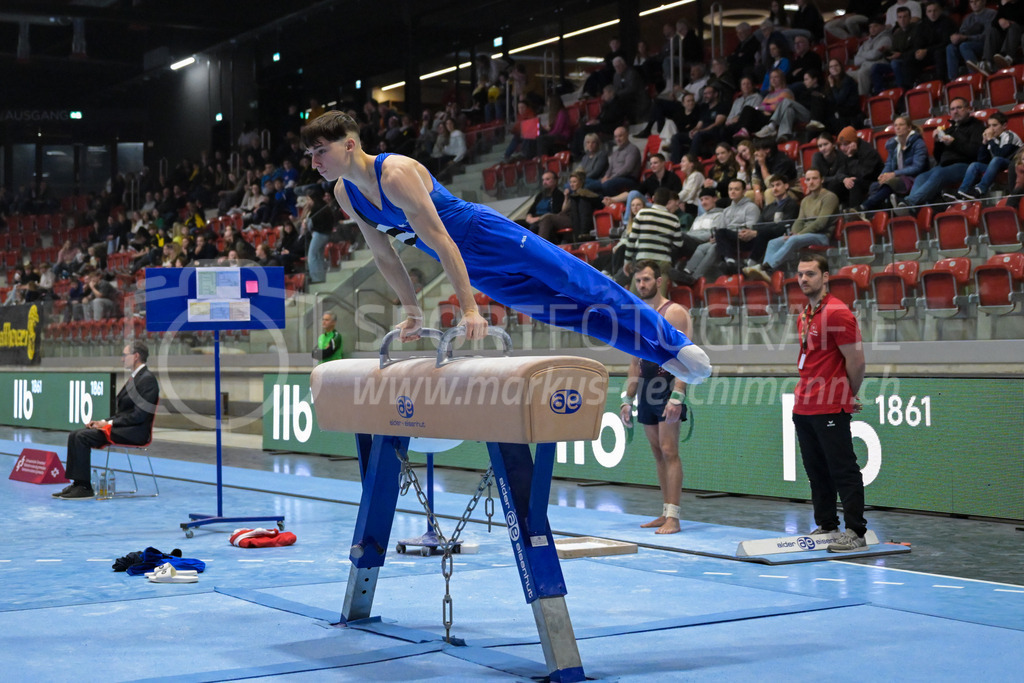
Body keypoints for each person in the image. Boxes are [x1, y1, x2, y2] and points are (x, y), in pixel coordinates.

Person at [301, 110, 712, 383]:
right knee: (569, 315)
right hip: (475, 267)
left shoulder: (395, 173)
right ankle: (660, 356)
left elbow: (443, 241)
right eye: (310, 154)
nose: (315, 161)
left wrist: (467, 308)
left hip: (485, 235)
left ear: (350, 145)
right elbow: (384, 256)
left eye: (321, 151)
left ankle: (674, 342)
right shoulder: (344, 193)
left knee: (583, 285)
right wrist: (410, 313)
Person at [790, 251, 868, 553]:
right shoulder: (804, 314)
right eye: (800, 274)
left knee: (842, 468)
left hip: (830, 405)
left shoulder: (837, 313)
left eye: (810, 273)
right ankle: (827, 524)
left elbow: (857, 361)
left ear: (825, 277)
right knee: (815, 470)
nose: (804, 279)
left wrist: (847, 393)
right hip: (804, 406)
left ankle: (855, 531)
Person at [619, 260, 692, 535]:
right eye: (638, 281)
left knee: (670, 450)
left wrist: (679, 394)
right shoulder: (638, 314)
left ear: (659, 281)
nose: (642, 285)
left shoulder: (673, 312)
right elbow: (635, 360)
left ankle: (674, 517)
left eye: (647, 279)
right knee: (657, 452)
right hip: (647, 386)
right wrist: (627, 397)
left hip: (667, 385)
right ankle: (665, 511)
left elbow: (685, 357)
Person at [54, 342, 160, 500]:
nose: (122, 359)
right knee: (75, 435)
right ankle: (77, 483)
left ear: (136, 356)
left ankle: (84, 487)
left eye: (125, 355)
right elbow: (123, 413)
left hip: (135, 432)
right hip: (123, 427)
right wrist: (102, 421)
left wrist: (109, 424)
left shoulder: (147, 380)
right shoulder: (135, 378)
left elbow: (139, 416)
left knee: (82, 437)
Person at [744, 167, 839, 281]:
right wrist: (793, 232)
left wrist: (798, 235)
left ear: (822, 180)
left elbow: (821, 223)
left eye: (814, 178)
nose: (811, 182)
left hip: (822, 235)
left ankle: (766, 268)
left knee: (793, 240)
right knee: (773, 242)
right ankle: (766, 273)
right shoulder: (805, 200)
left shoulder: (830, 197)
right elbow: (799, 220)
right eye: (808, 179)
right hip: (804, 235)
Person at [897, 97, 984, 212]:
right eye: (952, 109)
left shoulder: (977, 126)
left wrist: (954, 143)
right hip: (944, 166)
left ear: (968, 109)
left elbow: (974, 151)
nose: (955, 111)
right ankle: (913, 210)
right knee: (921, 177)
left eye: (959, 108)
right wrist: (937, 143)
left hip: (966, 165)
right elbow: (939, 157)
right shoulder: (949, 130)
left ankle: (910, 203)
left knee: (939, 173)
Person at [859, 115, 929, 213]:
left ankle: (864, 207)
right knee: (875, 185)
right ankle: (877, 215)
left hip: (914, 178)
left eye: (901, 125)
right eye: (896, 125)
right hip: (899, 177)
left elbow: (917, 167)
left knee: (891, 182)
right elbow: (888, 163)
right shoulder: (894, 145)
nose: (898, 127)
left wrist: (894, 174)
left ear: (909, 127)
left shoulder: (918, 143)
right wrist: (883, 175)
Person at [622, 188, 684, 295]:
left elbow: (631, 240)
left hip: (643, 261)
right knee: (658, 303)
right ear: (668, 202)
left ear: (653, 199)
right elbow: (679, 244)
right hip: (663, 263)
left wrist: (627, 261)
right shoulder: (674, 219)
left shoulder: (642, 213)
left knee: (635, 303)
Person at [953, 111, 1023, 199]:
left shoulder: (1010, 136)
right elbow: (982, 160)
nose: (991, 129)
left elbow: (1001, 155)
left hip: (1012, 164)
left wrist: (990, 139)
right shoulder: (992, 139)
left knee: (996, 159)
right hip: (996, 166)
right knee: (975, 165)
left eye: (994, 125)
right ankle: (962, 191)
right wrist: (984, 143)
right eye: (989, 126)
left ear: (1004, 126)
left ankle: (980, 189)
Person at [302, 187, 335, 284]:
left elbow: (314, 222)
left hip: (320, 234)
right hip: (323, 233)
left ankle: (316, 278)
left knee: (312, 255)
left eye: (309, 199)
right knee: (318, 256)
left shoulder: (317, 208)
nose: (308, 201)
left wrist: (307, 222)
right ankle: (321, 277)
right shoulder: (322, 206)